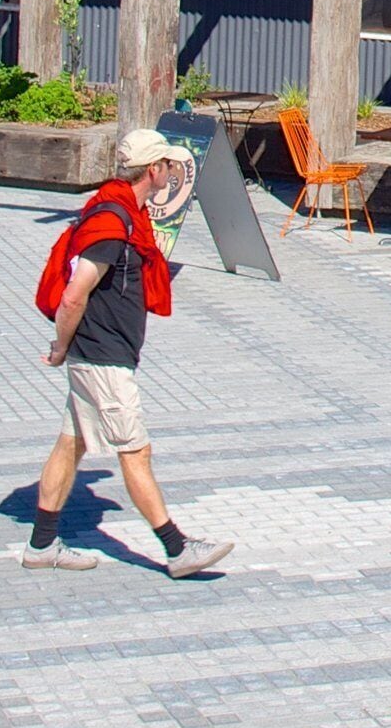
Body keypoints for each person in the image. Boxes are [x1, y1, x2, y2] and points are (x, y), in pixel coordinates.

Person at [25, 130, 237, 578]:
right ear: (153, 171)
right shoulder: (112, 226)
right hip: (102, 358)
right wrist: (61, 347)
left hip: (97, 354)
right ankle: (178, 550)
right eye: (168, 165)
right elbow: (73, 295)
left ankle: (41, 545)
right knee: (135, 452)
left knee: (72, 444)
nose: (172, 173)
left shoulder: (122, 211)